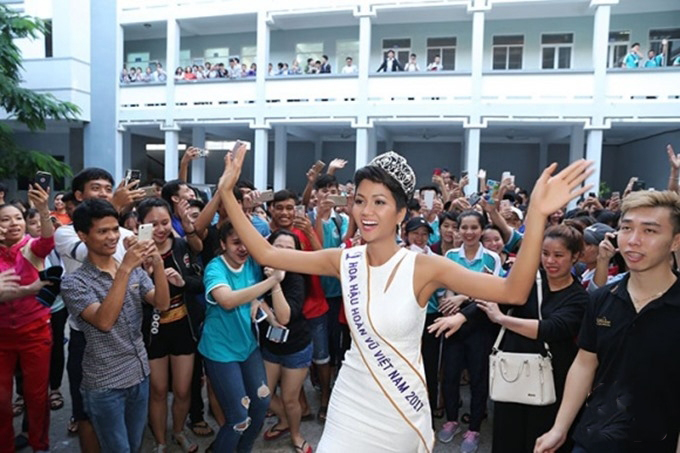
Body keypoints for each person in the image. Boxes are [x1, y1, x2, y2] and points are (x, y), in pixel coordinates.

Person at [218, 143, 592, 452]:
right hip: (351, 398)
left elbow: (514, 290)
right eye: (360, 200)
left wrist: (539, 216)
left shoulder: (424, 267)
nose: (366, 211)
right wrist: (227, 194)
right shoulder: (342, 260)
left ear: (400, 213)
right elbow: (267, 255)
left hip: (399, 405)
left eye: (379, 202)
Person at [535, 190, 680, 453]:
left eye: (650, 231)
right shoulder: (602, 298)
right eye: (626, 228)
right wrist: (559, 428)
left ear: (675, 242)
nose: (633, 241)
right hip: (594, 438)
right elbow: (584, 363)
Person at [62, 199, 170, 453]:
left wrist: (159, 264)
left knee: (134, 446)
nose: (112, 237)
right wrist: (126, 269)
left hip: (139, 373)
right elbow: (104, 321)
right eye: (102, 231)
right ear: (82, 236)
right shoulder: (74, 283)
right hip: (105, 383)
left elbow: (162, 303)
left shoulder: (131, 270)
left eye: (114, 229)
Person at [469, 225, 588, 452]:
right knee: (507, 439)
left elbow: (550, 328)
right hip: (512, 375)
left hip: (552, 381)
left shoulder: (579, 298)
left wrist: (501, 319)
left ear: (575, 257)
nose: (550, 260)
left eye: (558, 255)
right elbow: (497, 297)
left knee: (542, 440)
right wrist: (461, 318)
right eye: (545, 254)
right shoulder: (529, 281)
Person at [199, 221, 276, 452]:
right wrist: (271, 282)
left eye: (246, 242)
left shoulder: (252, 263)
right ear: (223, 244)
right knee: (238, 417)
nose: (242, 248)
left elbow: (276, 262)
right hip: (220, 351)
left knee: (261, 403)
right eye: (235, 243)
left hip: (247, 346)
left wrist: (257, 300)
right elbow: (228, 299)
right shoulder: (215, 268)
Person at [136, 198, 202, 453]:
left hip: (183, 325)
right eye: (153, 224)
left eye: (165, 222)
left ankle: (178, 431)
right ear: (140, 225)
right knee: (159, 389)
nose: (161, 229)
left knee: (183, 390)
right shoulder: (134, 254)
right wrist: (144, 273)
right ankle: (161, 441)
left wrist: (182, 281)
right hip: (152, 330)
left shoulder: (183, 246)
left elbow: (201, 282)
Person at [435, 210, 502, 453]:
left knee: (478, 376)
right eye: (464, 227)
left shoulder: (492, 258)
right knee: (450, 374)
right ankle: (451, 419)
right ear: (458, 230)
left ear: (482, 229)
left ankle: (474, 428)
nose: (469, 232)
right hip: (453, 322)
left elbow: (492, 290)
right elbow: (446, 286)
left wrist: (463, 295)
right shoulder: (451, 255)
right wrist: (453, 300)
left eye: (474, 227)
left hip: (480, 324)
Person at [0, 183, 54, 453]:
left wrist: (43, 210)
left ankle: (39, 444)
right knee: (1, 402)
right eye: (5, 219)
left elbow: (48, 240)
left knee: (35, 396)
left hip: (35, 331)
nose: (13, 224)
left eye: (18, 218)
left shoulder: (32, 247)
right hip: (1, 336)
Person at [260, 230, 313, 453]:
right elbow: (253, 297)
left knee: (291, 399)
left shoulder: (297, 277)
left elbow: (284, 316)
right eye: (277, 246)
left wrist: (275, 282)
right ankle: (283, 421)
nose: (282, 252)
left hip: (296, 347)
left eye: (289, 249)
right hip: (270, 346)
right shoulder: (258, 269)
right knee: (263, 395)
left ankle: (296, 434)